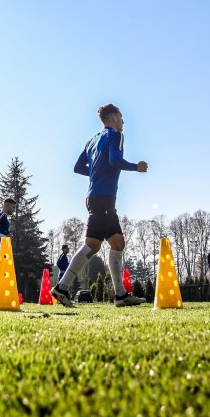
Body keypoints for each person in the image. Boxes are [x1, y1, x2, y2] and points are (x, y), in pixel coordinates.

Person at [51, 104, 148, 308]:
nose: (123, 121)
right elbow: (115, 161)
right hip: (103, 198)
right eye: (121, 117)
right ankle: (61, 288)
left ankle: (121, 295)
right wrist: (136, 167)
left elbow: (78, 168)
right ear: (113, 118)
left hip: (98, 197)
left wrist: (96, 173)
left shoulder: (92, 140)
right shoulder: (116, 135)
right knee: (93, 245)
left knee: (118, 243)